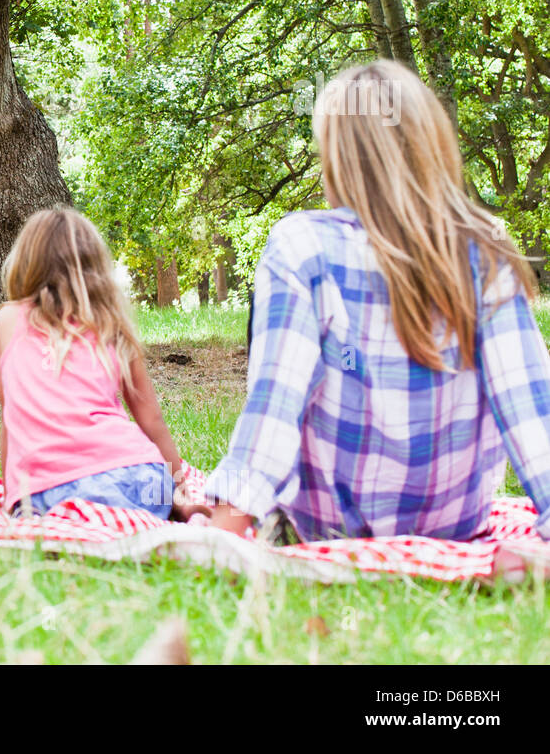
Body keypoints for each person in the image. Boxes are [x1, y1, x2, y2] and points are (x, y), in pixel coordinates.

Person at [206, 61, 550, 555]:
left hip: (327, 529)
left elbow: (274, 408)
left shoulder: (302, 246)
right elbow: (530, 411)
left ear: (338, 160)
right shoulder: (484, 250)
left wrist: (223, 529)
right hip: (454, 528)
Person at [0, 206, 203, 519]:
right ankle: (167, 518)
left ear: (25, 262)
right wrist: (181, 492)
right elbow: (152, 420)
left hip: (51, 491)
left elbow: (12, 418)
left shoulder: (7, 321)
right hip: (141, 476)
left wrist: (12, 498)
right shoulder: (109, 322)